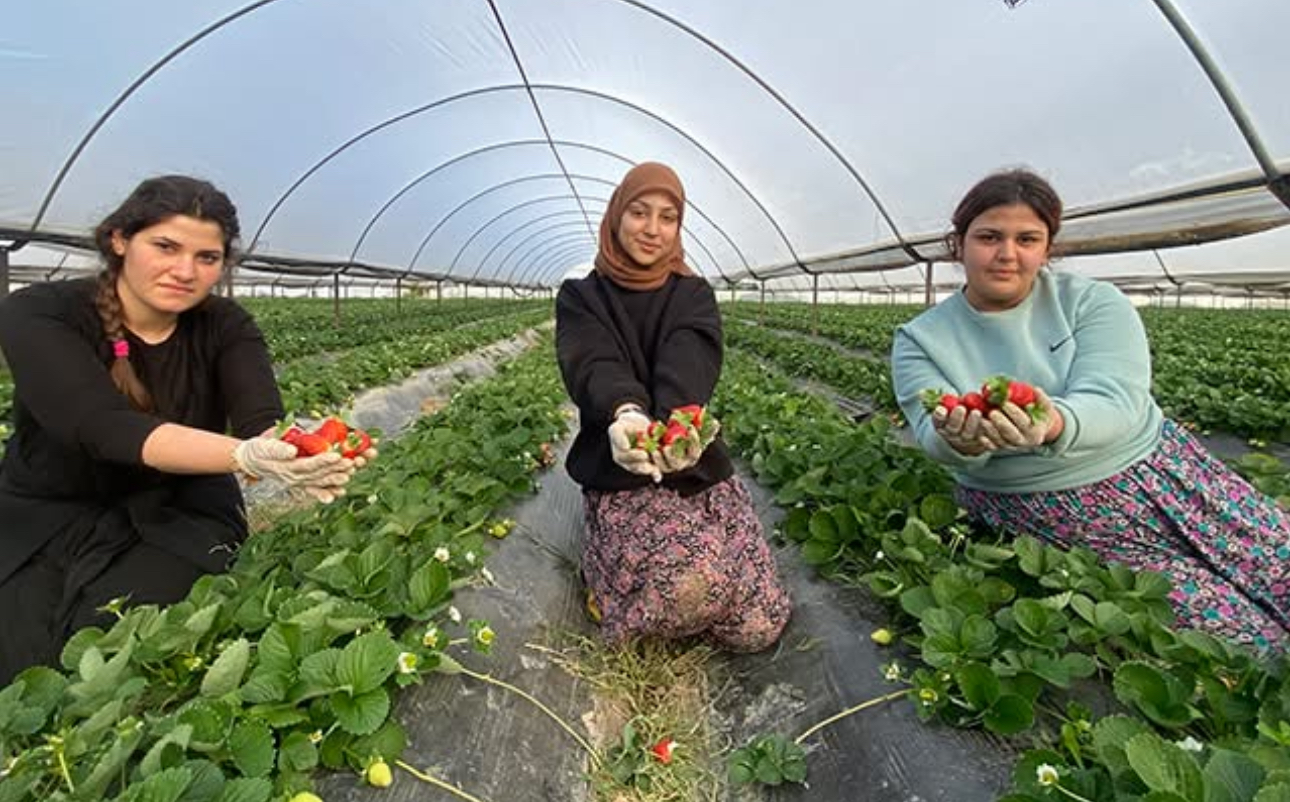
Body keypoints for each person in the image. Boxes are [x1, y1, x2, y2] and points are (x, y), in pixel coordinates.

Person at [891, 168, 1290, 653]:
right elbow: (929, 432)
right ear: (959, 244)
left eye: (1027, 239)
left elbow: (1117, 399)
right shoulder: (920, 339)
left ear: (1048, 248)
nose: (1007, 254)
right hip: (1043, 502)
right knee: (1237, 634)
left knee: (1279, 563)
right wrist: (961, 439)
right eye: (989, 237)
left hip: (1164, 472)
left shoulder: (1092, 302)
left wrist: (1054, 421)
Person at [0, 175, 366, 684]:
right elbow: (101, 426)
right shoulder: (41, 312)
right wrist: (242, 458)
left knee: (115, 649)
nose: (184, 271)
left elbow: (262, 420)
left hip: (179, 512)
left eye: (207, 258)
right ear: (120, 240)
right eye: (165, 246)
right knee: (18, 655)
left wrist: (295, 452)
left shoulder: (226, 326)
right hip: (47, 507)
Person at [555, 162, 791, 652]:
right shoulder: (582, 297)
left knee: (757, 627)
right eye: (640, 212)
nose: (652, 229)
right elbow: (593, 362)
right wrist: (627, 414)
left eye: (668, 217)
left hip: (695, 472)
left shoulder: (693, 295)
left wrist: (677, 432)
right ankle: (615, 582)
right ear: (617, 216)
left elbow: (688, 365)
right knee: (691, 587)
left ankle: (684, 596)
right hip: (622, 473)